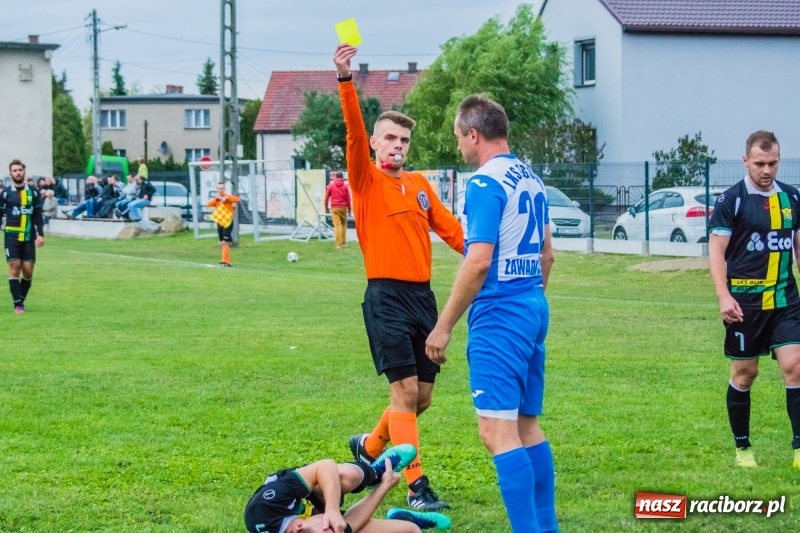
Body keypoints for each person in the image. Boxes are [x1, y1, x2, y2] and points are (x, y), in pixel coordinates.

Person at [334, 43, 464, 511]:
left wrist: (485, 252)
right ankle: (416, 486)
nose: (397, 146)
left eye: (404, 141)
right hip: (385, 298)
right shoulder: (365, 179)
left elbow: (451, 230)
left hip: (423, 302)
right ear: (374, 143)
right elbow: (351, 129)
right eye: (389, 138)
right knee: (404, 393)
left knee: (421, 398)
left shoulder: (420, 185)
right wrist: (346, 82)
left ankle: (369, 449)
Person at [425, 95, 557, 533]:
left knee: (496, 433)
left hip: (500, 313)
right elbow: (548, 256)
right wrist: (528, 299)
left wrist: (443, 327)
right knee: (525, 426)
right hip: (533, 305)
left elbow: (478, 260)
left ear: (474, 134)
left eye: (459, 138)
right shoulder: (532, 178)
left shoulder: (484, 182)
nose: (459, 147)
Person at [708, 130, 800, 470]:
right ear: (745, 161)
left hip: (785, 298)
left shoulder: (792, 198)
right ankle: (743, 448)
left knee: (795, 366)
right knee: (746, 373)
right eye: (759, 163)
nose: (766, 170)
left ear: (779, 160)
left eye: (773, 163)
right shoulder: (730, 201)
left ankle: (799, 449)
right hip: (744, 303)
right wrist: (723, 297)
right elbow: (716, 254)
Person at [243, 444, 451, 533]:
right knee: (411, 531)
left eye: (331, 527)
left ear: (300, 526)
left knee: (344, 476)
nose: (339, 526)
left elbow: (325, 466)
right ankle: (402, 517)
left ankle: (373, 472)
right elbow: (349, 523)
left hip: (309, 490)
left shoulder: (264, 508)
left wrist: (332, 510)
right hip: (314, 513)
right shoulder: (329, 529)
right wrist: (384, 487)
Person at [0, 160, 45, 313]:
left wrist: (41, 234)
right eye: (15, 170)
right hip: (11, 235)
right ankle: (18, 304)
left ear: (24, 172)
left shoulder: (34, 192)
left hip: (28, 235)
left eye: (20, 170)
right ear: (10, 173)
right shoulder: (5, 193)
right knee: (14, 267)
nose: (18, 173)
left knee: (27, 272)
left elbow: (38, 215)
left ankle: (20, 300)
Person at [207, 181, 241, 267]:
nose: (220, 190)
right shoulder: (217, 199)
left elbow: (237, 199)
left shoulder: (228, 197)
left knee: (225, 241)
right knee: (222, 242)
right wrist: (217, 199)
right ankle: (224, 260)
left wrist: (227, 199)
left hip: (227, 222)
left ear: (224, 189)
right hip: (220, 222)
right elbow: (209, 204)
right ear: (217, 189)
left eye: (222, 188)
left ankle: (226, 261)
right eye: (219, 188)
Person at [325, 170, 352, 248]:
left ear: (335, 177)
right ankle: (343, 243)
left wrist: (326, 207)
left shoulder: (331, 186)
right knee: (344, 224)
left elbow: (326, 197)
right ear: (342, 177)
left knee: (337, 226)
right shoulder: (345, 186)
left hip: (334, 208)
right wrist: (349, 209)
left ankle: (338, 244)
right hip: (343, 207)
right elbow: (348, 199)